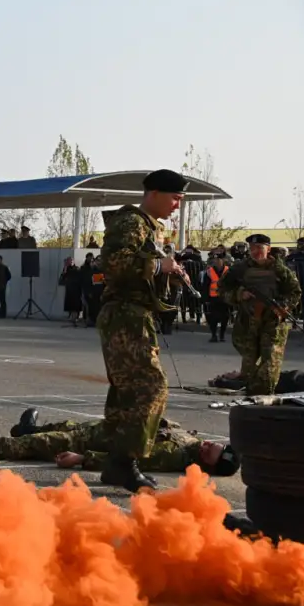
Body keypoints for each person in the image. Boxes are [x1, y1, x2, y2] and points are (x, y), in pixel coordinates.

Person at [97, 168, 190, 492]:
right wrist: (159, 266)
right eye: (175, 197)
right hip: (125, 314)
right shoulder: (131, 222)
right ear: (154, 194)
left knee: (127, 392)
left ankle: (116, 463)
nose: (177, 204)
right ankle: (124, 462)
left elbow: (141, 270)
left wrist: (170, 275)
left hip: (134, 314)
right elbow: (113, 264)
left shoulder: (151, 227)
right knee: (152, 387)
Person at [0, 409, 241, 478]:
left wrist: (83, 459)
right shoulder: (193, 442)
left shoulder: (174, 456)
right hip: (105, 429)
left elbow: (129, 460)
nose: (207, 445)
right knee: (62, 426)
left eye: (210, 452)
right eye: (212, 444)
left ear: (207, 466)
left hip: (93, 444)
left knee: (44, 442)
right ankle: (28, 429)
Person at [218, 233, 302, 394]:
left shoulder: (280, 270)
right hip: (248, 322)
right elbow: (222, 289)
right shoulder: (239, 269)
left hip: (272, 322)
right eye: (252, 248)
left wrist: (282, 307)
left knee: (270, 364)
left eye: (259, 248)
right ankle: (252, 393)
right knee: (249, 366)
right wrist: (239, 294)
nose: (255, 251)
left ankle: (265, 393)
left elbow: (295, 292)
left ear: (268, 249)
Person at [202, 252, 231, 342]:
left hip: (225, 298)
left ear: (223, 260)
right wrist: (205, 299)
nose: (217, 261)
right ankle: (214, 335)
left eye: (219, 259)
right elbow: (205, 286)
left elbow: (232, 285)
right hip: (213, 298)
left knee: (225, 317)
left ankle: (222, 334)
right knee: (213, 318)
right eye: (215, 259)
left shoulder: (228, 271)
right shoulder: (209, 271)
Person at [59, 257, 83, 324]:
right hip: (69, 289)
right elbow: (63, 276)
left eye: (72, 261)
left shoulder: (77, 269)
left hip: (76, 289)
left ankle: (75, 317)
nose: (71, 262)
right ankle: (71, 317)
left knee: (76, 305)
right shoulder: (66, 269)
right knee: (70, 304)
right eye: (69, 261)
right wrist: (65, 268)